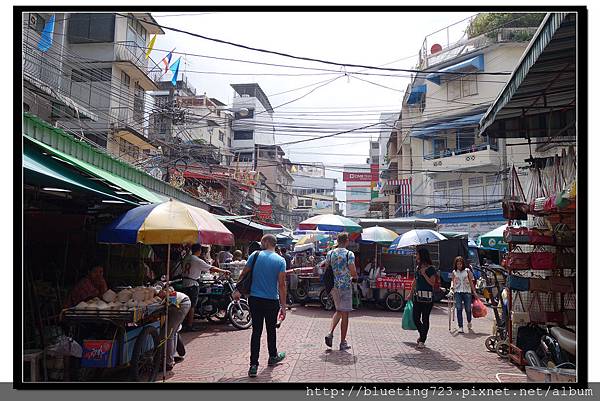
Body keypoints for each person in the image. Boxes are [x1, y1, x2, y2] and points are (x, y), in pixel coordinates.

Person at [234, 234, 287, 378]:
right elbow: (282, 285)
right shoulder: (281, 260)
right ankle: (273, 356)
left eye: (262, 241)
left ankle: (253, 365)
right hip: (272, 300)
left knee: (256, 331)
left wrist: (236, 289)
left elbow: (243, 273)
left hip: (255, 299)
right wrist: (283, 306)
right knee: (271, 330)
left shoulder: (255, 255)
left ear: (266, 242)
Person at [180, 244, 230, 331]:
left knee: (186, 304)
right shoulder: (196, 260)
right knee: (192, 305)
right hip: (192, 284)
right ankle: (189, 325)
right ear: (199, 250)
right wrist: (223, 271)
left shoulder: (186, 258)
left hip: (184, 283)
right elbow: (211, 268)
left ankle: (185, 323)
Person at [323, 232, 357, 351]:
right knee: (345, 314)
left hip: (333, 287)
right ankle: (343, 342)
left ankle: (330, 333)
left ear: (337, 241)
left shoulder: (330, 253)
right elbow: (352, 270)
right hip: (345, 286)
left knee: (338, 310)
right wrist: (355, 276)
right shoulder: (349, 254)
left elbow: (326, 267)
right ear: (347, 241)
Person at [406, 248, 438, 349]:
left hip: (428, 298)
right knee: (415, 318)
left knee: (425, 318)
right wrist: (410, 293)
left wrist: (424, 274)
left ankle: (422, 340)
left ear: (422, 255)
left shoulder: (431, 269)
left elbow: (432, 283)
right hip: (417, 297)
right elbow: (415, 281)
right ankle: (422, 334)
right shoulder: (417, 268)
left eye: (417, 254)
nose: (416, 256)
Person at [155, 286, 191, 371]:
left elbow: (172, 299)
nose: (159, 294)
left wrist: (166, 296)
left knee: (168, 334)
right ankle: (171, 357)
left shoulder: (170, 294)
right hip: (184, 302)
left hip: (182, 304)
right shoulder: (166, 295)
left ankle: (168, 362)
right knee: (173, 333)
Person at [450, 256, 477, 333]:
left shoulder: (467, 271)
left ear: (463, 264)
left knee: (468, 309)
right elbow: (452, 281)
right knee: (459, 309)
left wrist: (474, 292)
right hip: (457, 292)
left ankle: (469, 321)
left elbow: (471, 281)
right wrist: (452, 288)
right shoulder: (454, 272)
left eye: (460, 264)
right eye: (458, 264)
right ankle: (460, 326)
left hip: (467, 292)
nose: (459, 265)